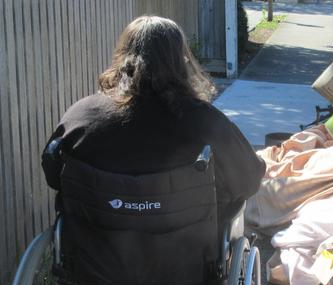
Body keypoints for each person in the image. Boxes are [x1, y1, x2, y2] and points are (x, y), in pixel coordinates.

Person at [42, 15, 265, 231]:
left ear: (122, 58)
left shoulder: (82, 116)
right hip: (185, 261)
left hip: (94, 259)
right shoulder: (205, 122)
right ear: (181, 61)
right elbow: (250, 178)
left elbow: (54, 176)